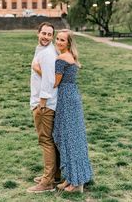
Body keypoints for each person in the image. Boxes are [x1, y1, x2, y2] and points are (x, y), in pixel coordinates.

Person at [33, 29, 93, 193]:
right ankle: (71, 178)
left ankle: (75, 182)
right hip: (73, 96)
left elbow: (53, 82)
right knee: (73, 136)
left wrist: (37, 69)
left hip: (66, 100)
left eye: (62, 40)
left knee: (69, 138)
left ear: (68, 43)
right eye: (57, 39)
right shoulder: (72, 57)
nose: (58, 42)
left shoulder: (60, 59)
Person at [27, 22, 60, 194]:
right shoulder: (43, 50)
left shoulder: (47, 53)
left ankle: (47, 182)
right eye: (44, 33)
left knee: (45, 141)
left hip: (44, 104)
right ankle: (54, 175)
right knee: (50, 141)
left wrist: (42, 104)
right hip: (46, 102)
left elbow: (48, 80)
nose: (46, 37)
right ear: (37, 33)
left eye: (49, 34)